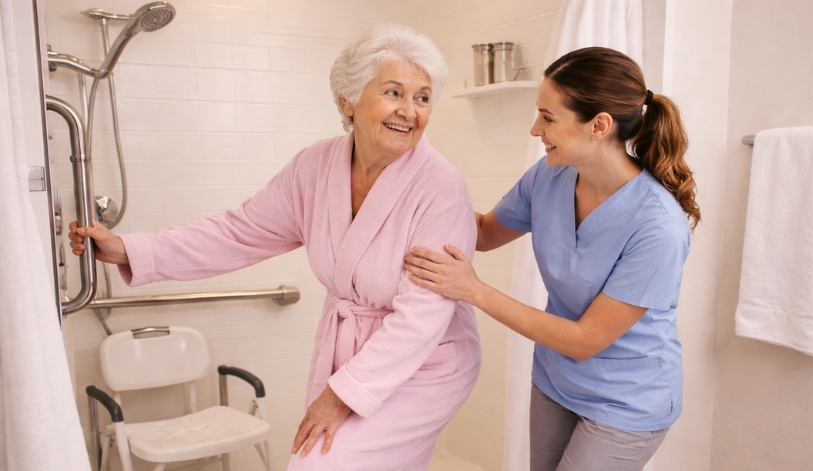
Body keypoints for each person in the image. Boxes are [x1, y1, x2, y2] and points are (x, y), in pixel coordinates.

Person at [69, 23, 481, 471]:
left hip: (426, 362)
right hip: (356, 352)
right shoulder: (315, 167)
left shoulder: (440, 190)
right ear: (348, 99)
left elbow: (422, 318)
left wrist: (341, 396)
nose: (410, 111)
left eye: (422, 98)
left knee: (320, 462)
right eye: (394, 93)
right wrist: (132, 250)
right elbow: (238, 231)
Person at [404, 47, 700, 471]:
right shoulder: (550, 176)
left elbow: (585, 340)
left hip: (628, 401)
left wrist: (472, 290)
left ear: (599, 125)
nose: (534, 129)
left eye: (547, 118)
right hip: (555, 382)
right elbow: (485, 232)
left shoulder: (657, 226)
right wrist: (409, 197)